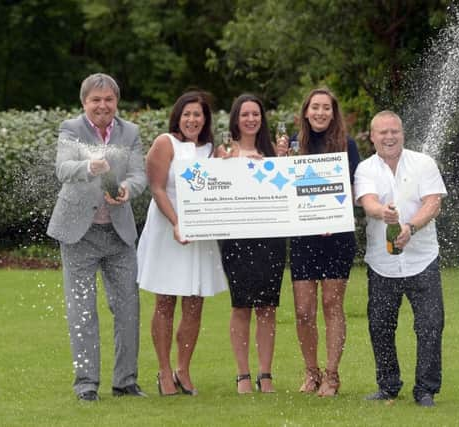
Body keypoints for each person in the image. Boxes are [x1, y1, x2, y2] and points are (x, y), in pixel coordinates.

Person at [47, 73, 147, 401]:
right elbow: (63, 169)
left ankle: (125, 382)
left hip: (119, 235)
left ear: (116, 102)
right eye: (96, 100)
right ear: (84, 103)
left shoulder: (129, 132)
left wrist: (127, 190)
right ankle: (87, 385)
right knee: (82, 312)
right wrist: (90, 167)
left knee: (128, 308)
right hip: (79, 234)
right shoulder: (70, 129)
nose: (102, 105)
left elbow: (138, 175)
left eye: (108, 99)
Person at [137, 91, 227, 397]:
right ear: (178, 116)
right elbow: (157, 188)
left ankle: (183, 369)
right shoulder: (165, 142)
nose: (192, 119)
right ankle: (163, 371)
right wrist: (177, 223)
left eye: (198, 114)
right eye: (187, 114)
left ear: (206, 119)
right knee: (165, 302)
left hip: (201, 236)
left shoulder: (212, 150)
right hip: (168, 230)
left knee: (194, 302)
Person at [354, 110, 447, 407]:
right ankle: (388, 385)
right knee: (380, 326)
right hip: (383, 263)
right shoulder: (365, 169)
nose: (389, 136)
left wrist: (411, 227)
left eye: (394, 131)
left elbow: (433, 203)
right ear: (372, 137)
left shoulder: (423, 163)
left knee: (431, 325)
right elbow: (367, 202)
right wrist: (384, 212)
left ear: (402, 133)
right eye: (383, 132)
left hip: (422, 259)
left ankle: (426, 390)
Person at [277, 88, 360, 397]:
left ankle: (332, 375)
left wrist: (333, 215)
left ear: (333, 112)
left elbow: (353, 189)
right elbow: (281, 188)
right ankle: (311, 372)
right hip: (303, 236)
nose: (321, 113)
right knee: (303, 310)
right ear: (306, 111)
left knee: (331, 304)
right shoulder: (295, 146)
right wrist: (280, 159)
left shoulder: (346, 145)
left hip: (336, 236)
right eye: (316, 107)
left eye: (326, 108)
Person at [217, 94, 287, 394]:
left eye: (255, 114)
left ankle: (265, 373)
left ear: (262, 118)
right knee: (241, 305)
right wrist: (229, 167)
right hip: (235, 237)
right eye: (245, 114)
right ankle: (243, 375)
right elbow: (214, 190)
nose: (250, 119)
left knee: (268, 307)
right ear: (236, 118)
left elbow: (286, 190)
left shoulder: (275, 151)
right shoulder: (224, 152)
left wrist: (276, 166)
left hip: (270, 237)